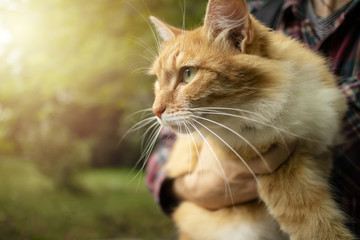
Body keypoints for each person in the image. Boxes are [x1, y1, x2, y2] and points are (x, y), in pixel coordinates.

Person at [145, 0, 360, 236]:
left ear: (238, 39)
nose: (158, 107)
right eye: (159, 80)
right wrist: (193, 187)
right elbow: (161, 155)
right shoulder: (264, 8)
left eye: (187, 73)